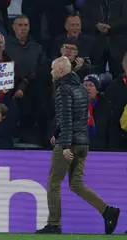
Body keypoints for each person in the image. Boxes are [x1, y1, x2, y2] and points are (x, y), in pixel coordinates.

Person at [36, 57, 120, 235]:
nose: (51, 73)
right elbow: (78, 117)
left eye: (53, 69)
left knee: (54, 183)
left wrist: (64, 144)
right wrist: (57, 134)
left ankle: (54, 224)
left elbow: (66, 117)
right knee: (76, 183)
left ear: (60, 71)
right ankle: (107, 211)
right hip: (83, 143)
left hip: (70, 143)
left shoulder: (62, 89)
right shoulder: (82, 89)